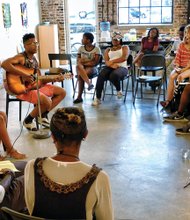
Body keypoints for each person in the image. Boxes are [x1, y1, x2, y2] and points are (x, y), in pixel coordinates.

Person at [24, 107, 114, 220]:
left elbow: (30, 209)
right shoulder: (99, 178)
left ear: (52, 137)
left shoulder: (32, 167)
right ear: (85, 135)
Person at [1, 33, 66, 131]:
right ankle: (28, 121)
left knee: (62, 92)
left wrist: (54, 78)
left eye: (36, 43)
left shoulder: (35, 60)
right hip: (21, 89)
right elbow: (4, 64)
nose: (35, 45)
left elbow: (39, 79)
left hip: (32, 86)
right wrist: (23, 75)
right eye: (32, 43)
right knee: (47, 102)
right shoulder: (21, 57)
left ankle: (42, 115)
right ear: (25, 45)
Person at [92, 32, 130, 106]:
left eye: (117, 39)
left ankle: (119, 90)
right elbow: (106, 62)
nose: (115, 41)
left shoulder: (125, 47)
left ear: (120, 40)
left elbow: (124, 58)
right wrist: (112, 65)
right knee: (101, 75)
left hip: (122, 67)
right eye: (113, 39)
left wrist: (112, 61)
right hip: (111, 67)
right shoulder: (108, 49)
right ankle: (98, 98)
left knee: (114, 74)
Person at [160, 25, 190, 109]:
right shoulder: (181, 45)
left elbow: (189, 65)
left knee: (180, 77)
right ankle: (168, 101)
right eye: (186, 32)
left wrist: (182, 70)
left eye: (188, 32)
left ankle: (176, 102)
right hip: (180, 67)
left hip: (188, 68)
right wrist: (176, 66)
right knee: (172, 76)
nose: (186, 34)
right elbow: (177, 58)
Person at [73, 32, 101, 104]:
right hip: (81, 67)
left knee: (80, 75)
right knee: (78, 66)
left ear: (88, 40)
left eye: (83, 38)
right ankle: (89, 84)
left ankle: (79, 97)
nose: (82, 40)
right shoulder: (81, 48)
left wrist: (84, 61)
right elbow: (78, 61)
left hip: (92, 68)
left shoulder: (97, 49)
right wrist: (89, 60)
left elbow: (95, 63)